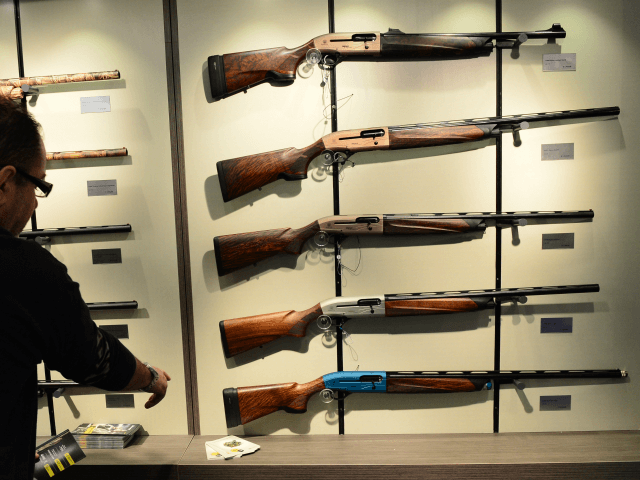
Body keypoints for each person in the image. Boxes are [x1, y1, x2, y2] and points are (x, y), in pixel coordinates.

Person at [0, 97, 171, 479]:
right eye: (38, 184)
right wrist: (151, 377)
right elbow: (94, 360)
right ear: (6, 180)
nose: (35, 202)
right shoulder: (25, 269)